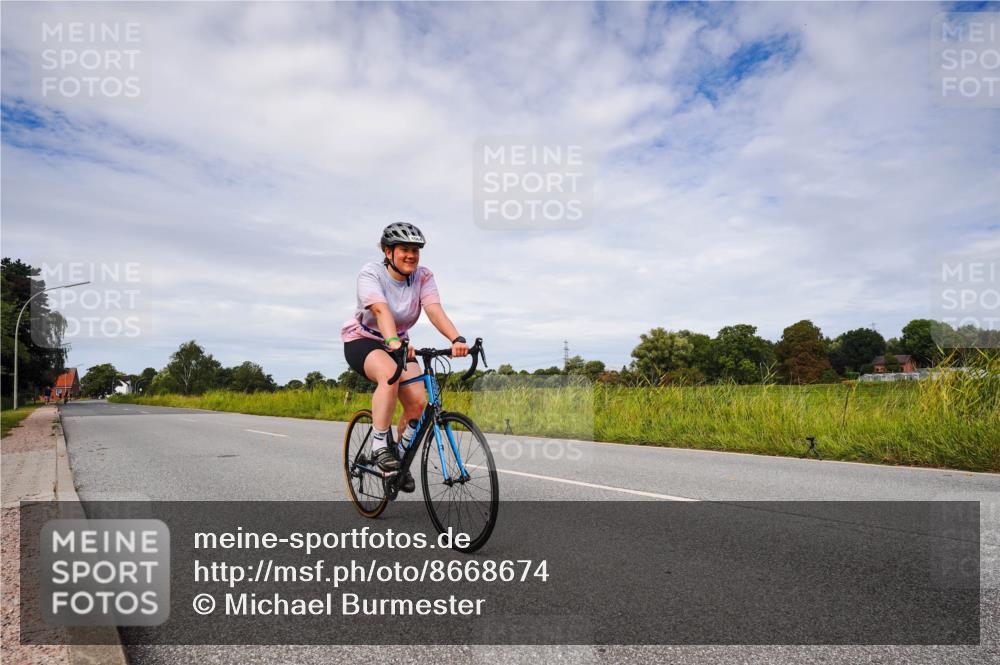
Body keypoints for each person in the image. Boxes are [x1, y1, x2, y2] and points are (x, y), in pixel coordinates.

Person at [341, 223, 468, 492]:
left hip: (399, 343)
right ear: (388, 252)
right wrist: (392, 342)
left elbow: (434, 310)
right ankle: (379, 446)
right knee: (389, 375)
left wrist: (456, 339)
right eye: (404, 250)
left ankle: (398, 457)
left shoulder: (423, 276)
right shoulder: (371, 273)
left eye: (415, 250)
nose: (411, 255)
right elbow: (380, 310)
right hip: (363, 339)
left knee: (419, 402)